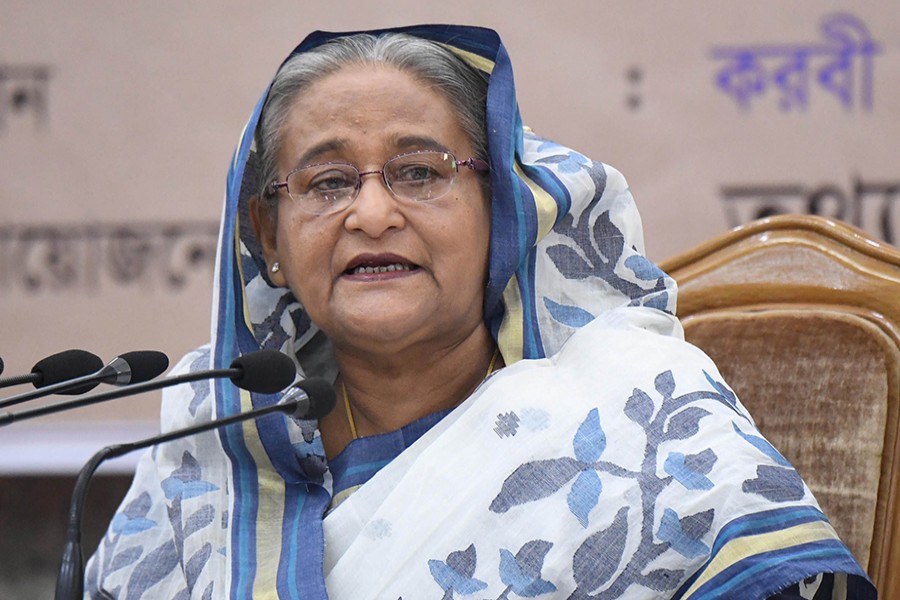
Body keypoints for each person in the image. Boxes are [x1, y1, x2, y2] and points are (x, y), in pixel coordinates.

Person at [85, 25, 875, 599]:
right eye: (327, 183)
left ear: (503, 210)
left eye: (419, 172)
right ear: (270, 236)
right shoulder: (217, 420)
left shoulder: (637, 411)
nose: (371, 213)